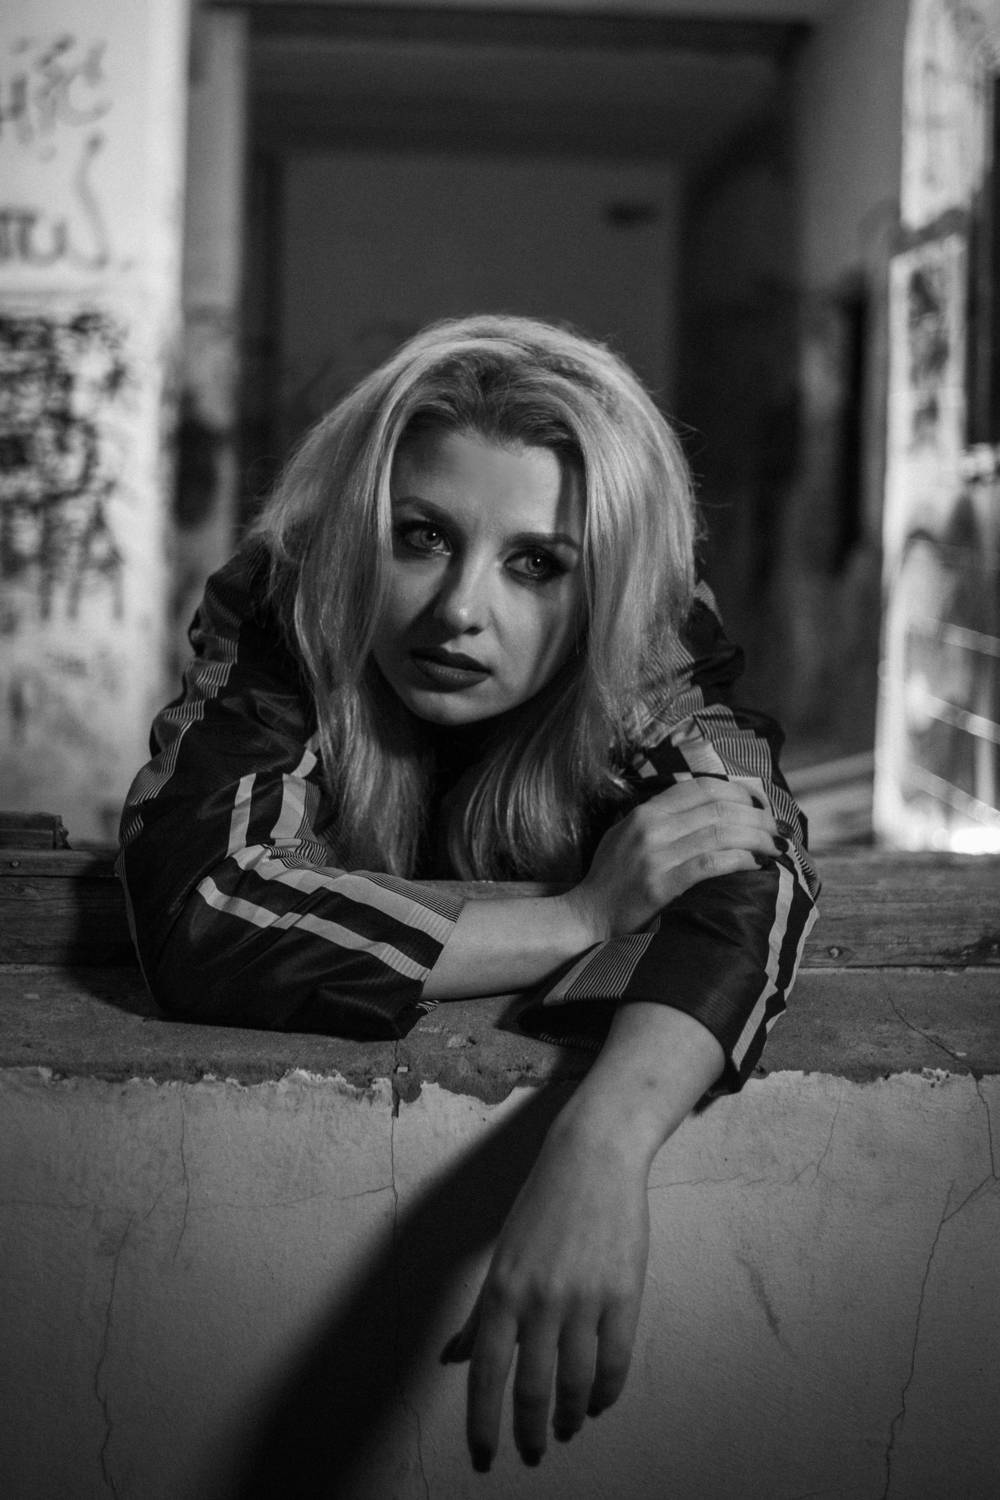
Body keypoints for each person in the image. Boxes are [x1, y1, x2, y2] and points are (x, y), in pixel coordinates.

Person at [118, 314, 819, 1472]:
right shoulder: (289, 600)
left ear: (603, 588)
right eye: (422, 536)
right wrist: (577, 918)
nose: (457, 611)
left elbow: (748, 866)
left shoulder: (648, 635)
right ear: (360, 529)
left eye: (536, 563)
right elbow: (202, 907)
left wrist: (600, 1147)